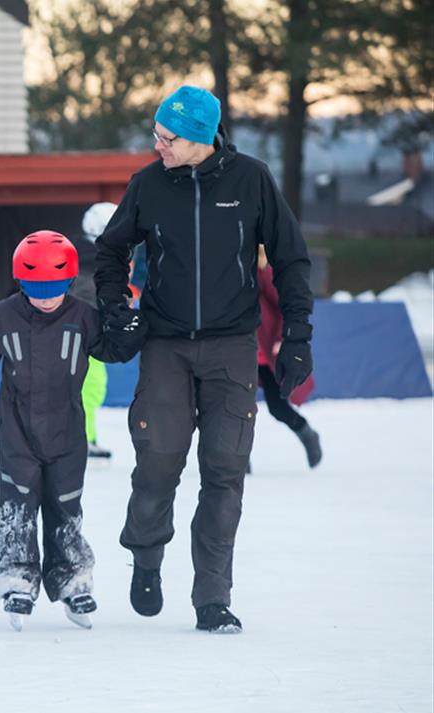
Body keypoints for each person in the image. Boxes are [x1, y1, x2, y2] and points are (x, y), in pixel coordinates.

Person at [93, 86, 314, 634]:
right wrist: (117, 308)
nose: (158, 145)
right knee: (158, 461)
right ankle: (146, 557)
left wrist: (300, 336)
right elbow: (111, 250)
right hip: (165, 342)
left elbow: (290, 259)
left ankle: (212, 598)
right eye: (156, 135)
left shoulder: (251, 180)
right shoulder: (148, 184)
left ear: (199, 139)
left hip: (232, 346)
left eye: (167, 138)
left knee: (224, 470)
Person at [0, 231, 139, 631]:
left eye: (53, 288)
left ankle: (73, 580)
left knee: (65, 508)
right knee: (17, 509)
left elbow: (114, 350)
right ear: (22, 282)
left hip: (67, 433)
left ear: (69, 281)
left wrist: (131, 325)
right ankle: (17, 579)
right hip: (17, 432)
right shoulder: (4, 316)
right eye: (36, 289)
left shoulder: (83, 317)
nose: (46, 297)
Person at [256, 245, 321, 468]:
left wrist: (281, 340)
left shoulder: (265, 273)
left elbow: (285, 308)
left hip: (264, 352)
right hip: (238, 351)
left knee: (278, 406)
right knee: (234, 409)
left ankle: (306, 433)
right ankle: (237, 461)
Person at [77, 202, 121, 460]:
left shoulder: (96, 260)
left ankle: (86, 437)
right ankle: (81, 439)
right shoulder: (91, 261)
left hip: (91, 336)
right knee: (88, 387)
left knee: (93, 387)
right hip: (85, 336)